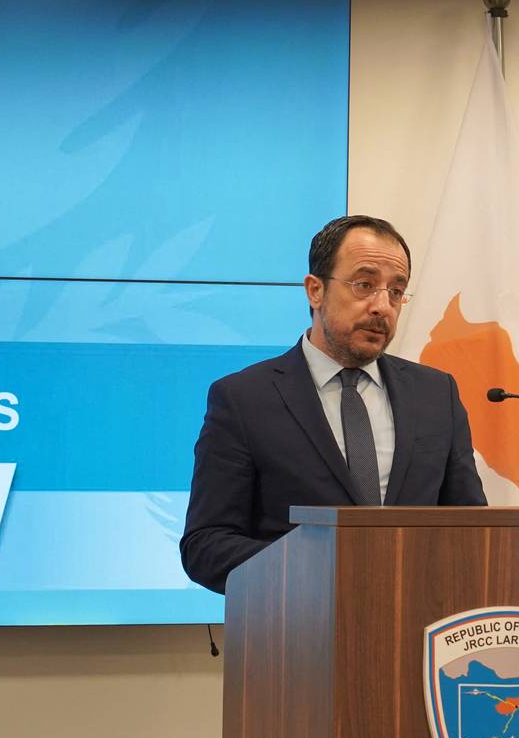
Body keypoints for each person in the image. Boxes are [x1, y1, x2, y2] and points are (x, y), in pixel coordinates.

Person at [180, 215, 486, 593]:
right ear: (315, 291)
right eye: (364, 284)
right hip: (296, 635)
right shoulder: (243, 399)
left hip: (419, 633)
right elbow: (206, 546)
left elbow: (472, 530)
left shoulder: (436, 395)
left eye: (396, 290)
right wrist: (323, 571)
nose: (382, 306)